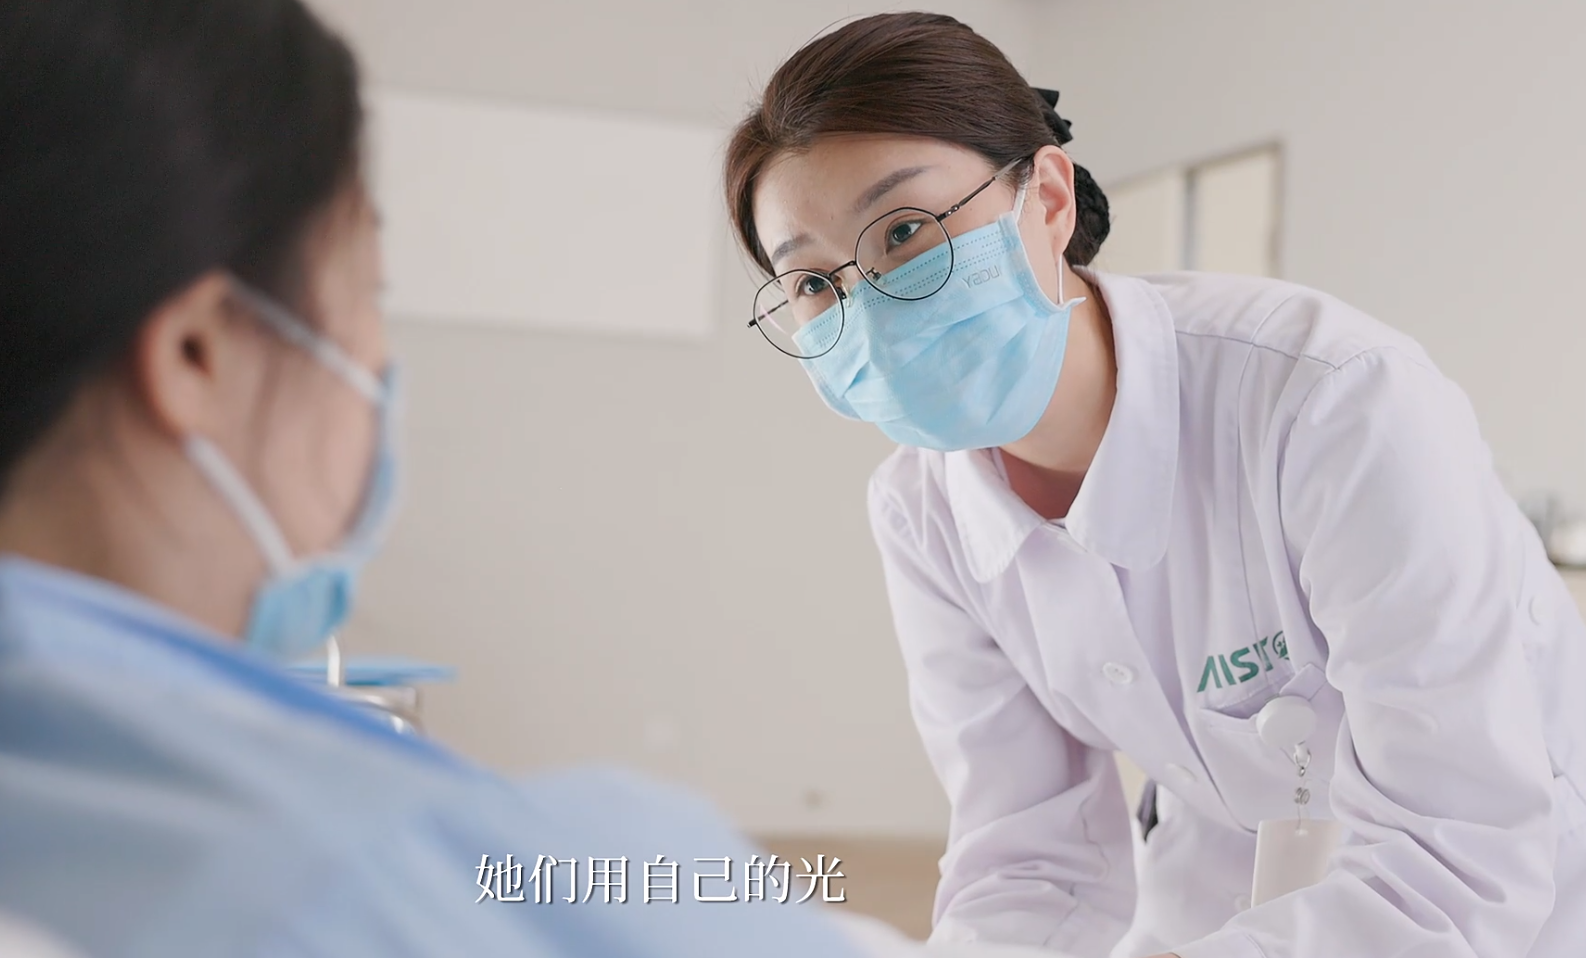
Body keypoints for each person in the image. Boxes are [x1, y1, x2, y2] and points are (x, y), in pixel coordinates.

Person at [0, 3, 1023, 957]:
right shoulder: (413, 878)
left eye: (905, 233)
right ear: (198, 354)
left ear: (1047, 199)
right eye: (368, 295)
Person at [723, 11, 1586, 958]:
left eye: (905, 231)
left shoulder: (1334, 401)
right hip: (1220, 885)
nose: (873, 305)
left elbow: (1456, 863)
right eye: (814, 284)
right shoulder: (920, 510)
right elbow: (1030, 862)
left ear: (1048, 200)